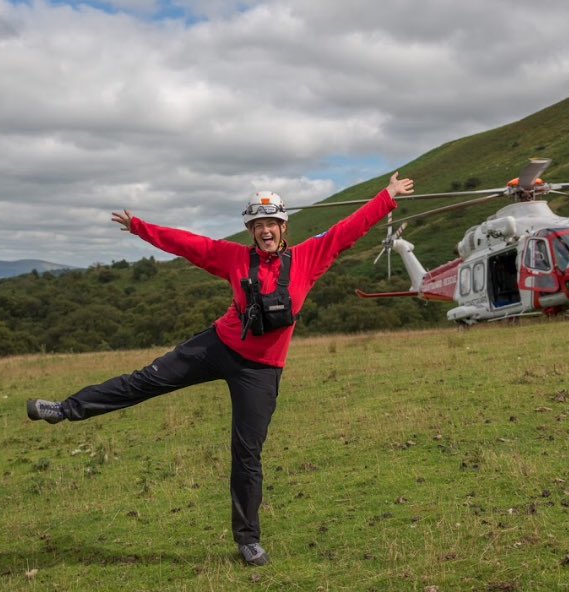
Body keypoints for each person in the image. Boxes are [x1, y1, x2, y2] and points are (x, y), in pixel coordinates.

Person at [26, 172, 414, 566]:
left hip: (261, 371)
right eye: (258, 225)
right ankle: (65, 409)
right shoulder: (235, 258)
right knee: (143, 381)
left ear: (283, 227)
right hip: (218, 346)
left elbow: (348, 230)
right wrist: (140, 227)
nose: (265, 230)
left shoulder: (308, 258)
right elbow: (189, 245)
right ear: (251, 231)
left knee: (247, 454)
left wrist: (387, 196)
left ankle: (248, 540)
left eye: (271, 223)